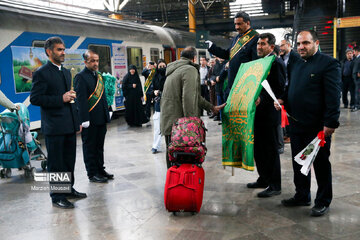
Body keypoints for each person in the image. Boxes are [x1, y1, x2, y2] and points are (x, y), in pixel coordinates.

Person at [276, 30, 341, 217]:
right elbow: (291, 89)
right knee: (299, 163)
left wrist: (330, 123)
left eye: (305, 43)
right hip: (297, 125)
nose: (301, 47)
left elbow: (333, 96)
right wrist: (282, 100)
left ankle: (322, 201)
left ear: (316, 43)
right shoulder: (296, 63)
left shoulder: (328, 64)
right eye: (298, 44)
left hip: (317, 127)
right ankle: (302, 195)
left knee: (320, 164)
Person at [30, 36, 86, 209]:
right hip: (54, 127)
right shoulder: (41, 73)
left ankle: (68, 190)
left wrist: (76, 122)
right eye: (59, 50)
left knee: (69, 160)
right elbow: (35, 98)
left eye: (64, 49)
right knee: (56, 163)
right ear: (49, 52)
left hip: (68, 124)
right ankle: (57, 196)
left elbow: (70, 100)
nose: (63, 52)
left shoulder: (66, 71)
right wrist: (60, 98)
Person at [160, 47, 226, 169]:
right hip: (179, 123)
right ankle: (184, 183)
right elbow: (189, 98)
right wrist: (191, 124)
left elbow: (194, 96)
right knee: (184, 154)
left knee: (172, 153)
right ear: (194, 58)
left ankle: (173, 182)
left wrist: (211, 107)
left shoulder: (174, 69)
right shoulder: (189, 70)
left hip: (169, 119)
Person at [246, 33, 285, 198]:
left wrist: (264, 98)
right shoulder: (259, 62)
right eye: (258, 44)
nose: (259, 47)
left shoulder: (276, 63)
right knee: (259, 149)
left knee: (270, 150)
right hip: (257, 114)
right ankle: (263, 178)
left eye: (262, 44)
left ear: (271, 46)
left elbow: (280, 88)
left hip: (269, 114)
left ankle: (275, 185)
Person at [75, 50, 113, 183]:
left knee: (99, 146)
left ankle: (100, 169)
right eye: (92, 61)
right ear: (85, 62)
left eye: (97, 60)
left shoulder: (99, 76)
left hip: (101, 118)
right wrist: (84, 119)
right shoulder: (80, 76)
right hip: (90, 120)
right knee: (90, 147)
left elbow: (103, 97)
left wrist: (108, 110)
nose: (96, 63)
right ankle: (92, 173)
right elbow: (81, 100)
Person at [205, 11, 258, 99]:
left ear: (248, 23)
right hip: (232, 84)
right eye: (235, 24)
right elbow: (227, 54)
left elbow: (255, 63)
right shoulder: (236, 38)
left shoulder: (255, 38)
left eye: (239, 24)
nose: (237, 27)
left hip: (244, 85)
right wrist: (212, 47)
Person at [150, 59, 167, 154]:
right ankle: (155, 146)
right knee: (157, 126)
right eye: (160, 67)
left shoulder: (169, 76)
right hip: (158, 104)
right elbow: (150, 91)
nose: (162, 68)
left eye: (164, 66)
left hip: (169, 104)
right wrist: (154, 92)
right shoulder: (155, 77)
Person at [352, 46, 360, 112]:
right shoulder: (356, 58)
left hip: (358, 78)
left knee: (357, 92)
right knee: (356, 92)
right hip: (355, 78)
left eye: (354, 52)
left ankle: (357, 106)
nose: (353, 53)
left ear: (357, 51)